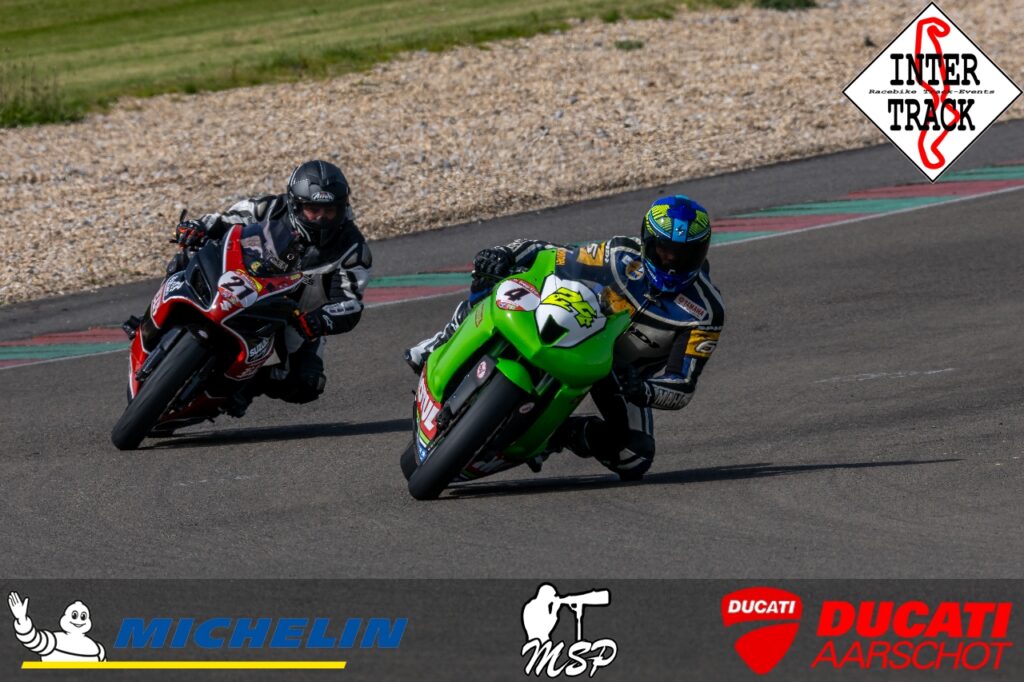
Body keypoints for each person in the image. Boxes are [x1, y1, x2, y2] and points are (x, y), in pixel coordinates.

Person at [405, 195, 724, 480]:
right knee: (495, 280)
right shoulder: (619, 255)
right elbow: (552, 254)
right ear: (646, 241)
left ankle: (556, 435)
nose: (671, 263)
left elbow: (683, 384)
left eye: (684, 255)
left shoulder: (705, 311)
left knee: (634, 456)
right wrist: (505, 253)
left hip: (620, 376)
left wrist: (644, 389)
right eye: (664, 251)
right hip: (578, 327)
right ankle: (441, 341)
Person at [159, 159, 372, 411]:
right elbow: (227, 219)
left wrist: (320, 320)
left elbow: (349, 303)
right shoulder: (269, 207)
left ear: (342, 207)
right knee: (186, 257)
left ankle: (244, 388)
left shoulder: (353, 248)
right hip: (242, 278)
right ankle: (153, 319)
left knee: (307, 383)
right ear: (295, 204)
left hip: (293, 316)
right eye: (313, 209)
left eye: (329, 210)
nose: (321, 218)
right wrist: (198, 226)